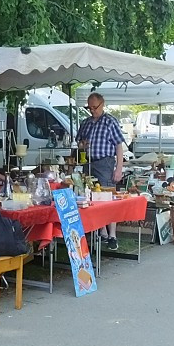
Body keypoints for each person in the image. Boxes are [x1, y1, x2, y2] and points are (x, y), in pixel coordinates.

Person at [76, 92, 126, 250]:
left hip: (105, 162)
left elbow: (119, 146)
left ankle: (112, 235)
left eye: (94, 107)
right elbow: (78, 144)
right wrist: (82, 144)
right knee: (91, 197)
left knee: (107, 196)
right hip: (88, 162)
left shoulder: (110, 121)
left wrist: (119, 168)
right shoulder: (85, 123)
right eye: (89, 108)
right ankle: (101, 231)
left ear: (102, 104)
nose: (92, 110)